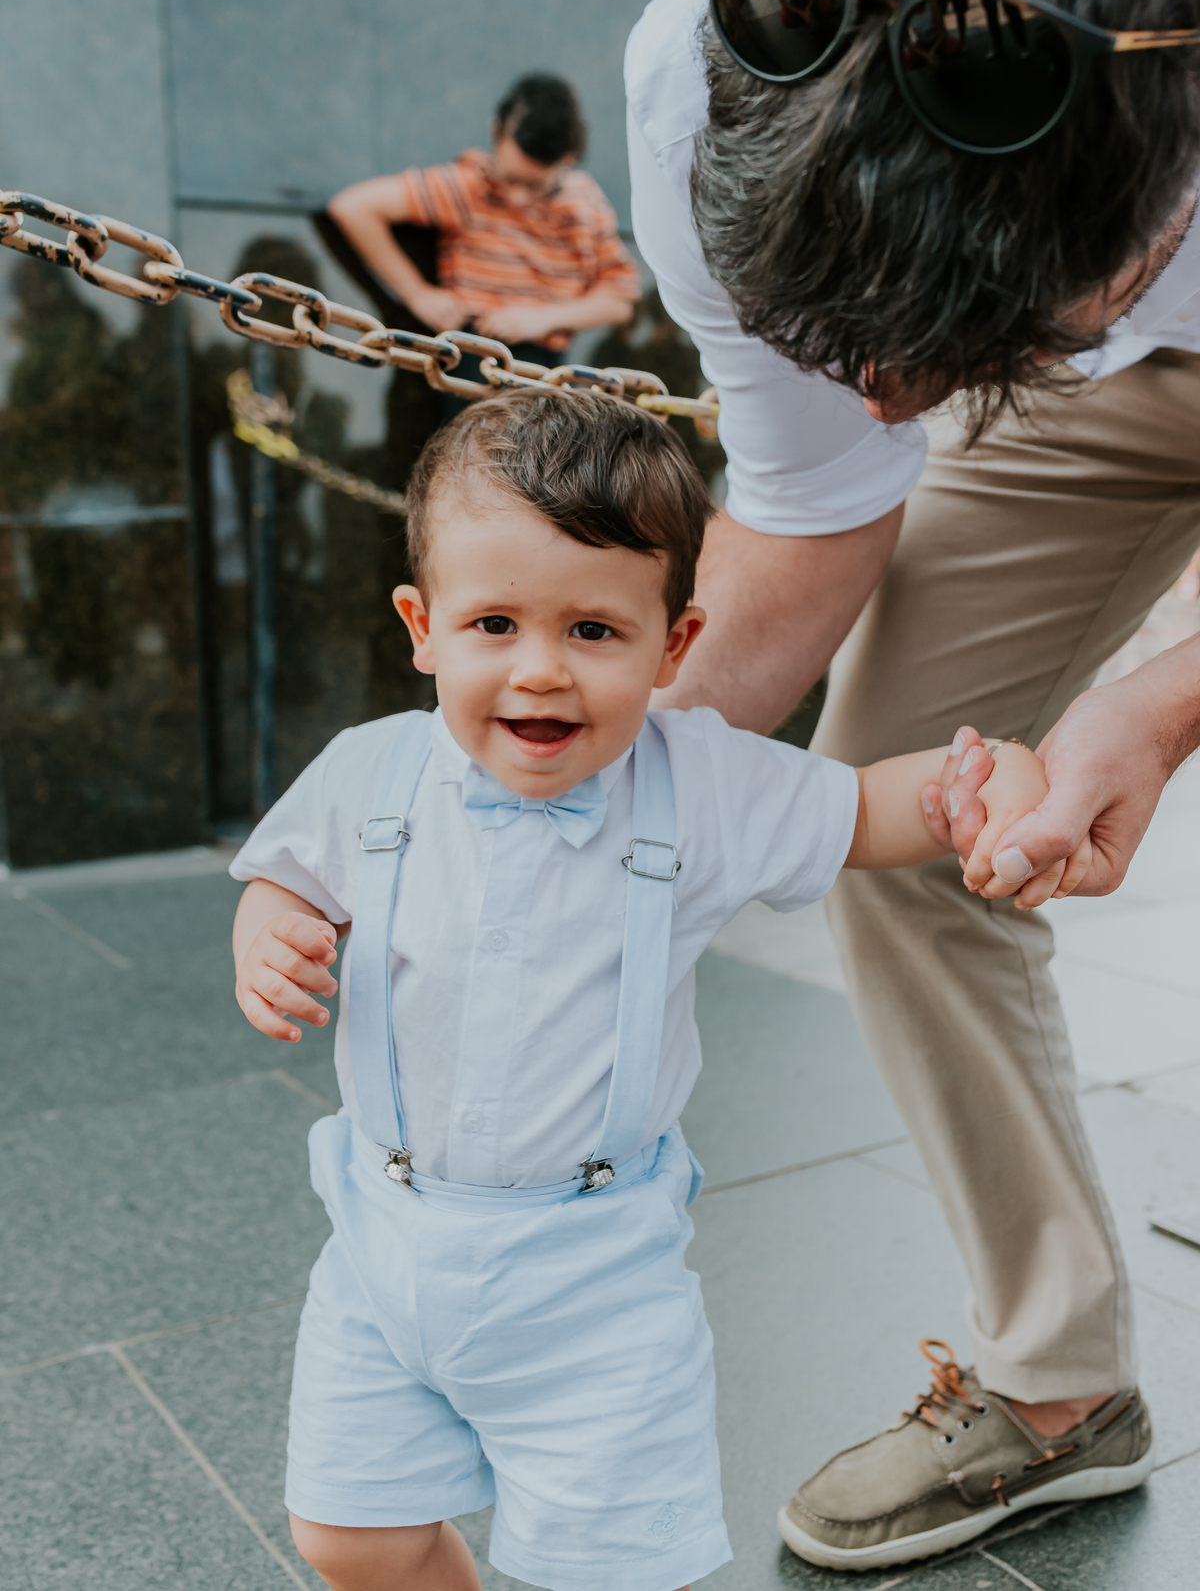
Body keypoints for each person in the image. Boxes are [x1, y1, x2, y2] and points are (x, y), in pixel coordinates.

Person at [624, 0, 1200, 1569]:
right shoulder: (712, 72)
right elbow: (812, 517)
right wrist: (578, 812)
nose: (886, 405)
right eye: (849, 355)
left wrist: (1159, 703)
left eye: (937, 364)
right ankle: (1060, 1381)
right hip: (1106, 380)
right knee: (906, 807)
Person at [227, 387, 1062, 1591]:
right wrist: (274, 932)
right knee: (350, 1535)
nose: (539, 673)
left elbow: (870, 808)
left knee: (612, 1570)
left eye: (594, 632)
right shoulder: (369, 772)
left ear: (674, 645)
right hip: (382, 1245)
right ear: (423, 626)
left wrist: (981, 784)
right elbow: (283, 877)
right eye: (495, 624)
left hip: (594, 1279)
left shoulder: (702, 786)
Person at [327, 72, 641, 387]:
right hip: (472, 354)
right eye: (510, 179)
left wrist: (543, 319)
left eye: (534, 185)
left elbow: (619, 301)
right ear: (496, 134)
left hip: (546, 364)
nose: (518, 197)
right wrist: (417, 293)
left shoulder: (584, 205)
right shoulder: (470, 186)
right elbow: (352, 207)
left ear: (568, 161)